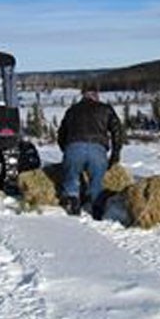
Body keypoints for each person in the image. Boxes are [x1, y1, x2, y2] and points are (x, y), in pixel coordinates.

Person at [57, 84, 123, 219]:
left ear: (83, 96)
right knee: (96, 182)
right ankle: (97, 208)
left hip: (74, 147)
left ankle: (73, 202)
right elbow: (117, 131)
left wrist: (67, 150)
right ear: (96, 95)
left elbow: (61, 134)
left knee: (71, 179)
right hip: (97, 150)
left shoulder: (72, 110)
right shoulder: (105, 109)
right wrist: (115, 154)